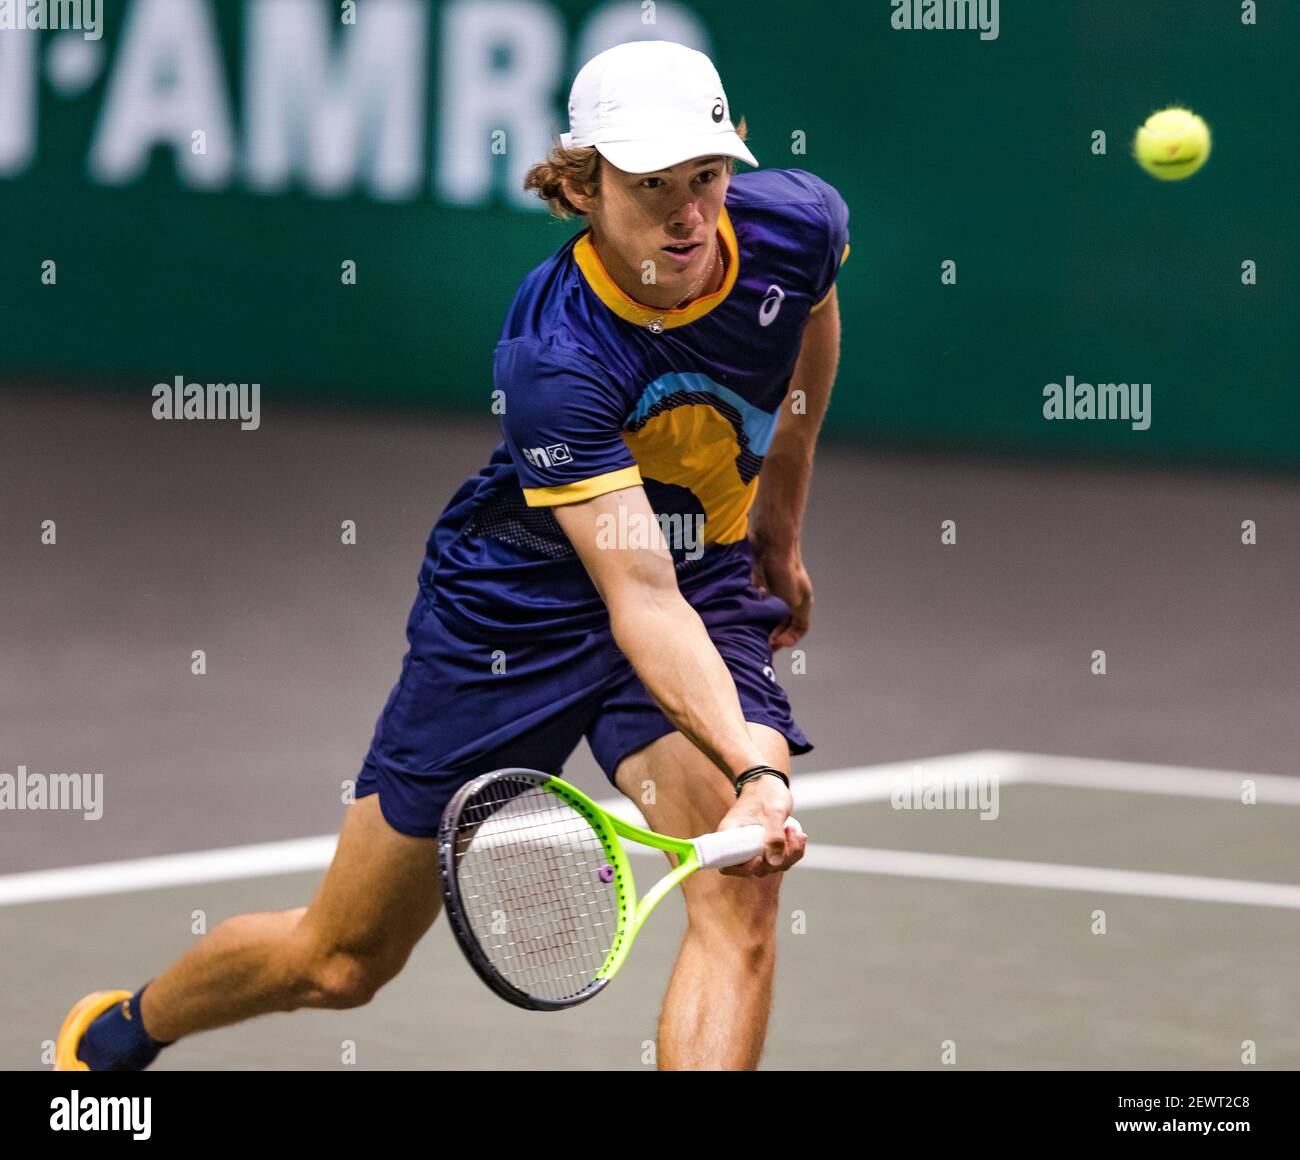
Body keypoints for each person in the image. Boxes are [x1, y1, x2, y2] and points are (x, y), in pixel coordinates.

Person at [54, 38, 848, 1072]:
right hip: (516, 610)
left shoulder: (794, 224)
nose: (690, 215)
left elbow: (810, 323)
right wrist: (748, 763)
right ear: (585, 180)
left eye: (706, 177)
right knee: (339, 959)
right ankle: (122, 1028)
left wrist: (779, 524)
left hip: (702, 571)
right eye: (654, 186)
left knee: (739, 901)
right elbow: (637, 600)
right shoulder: (555, 356)